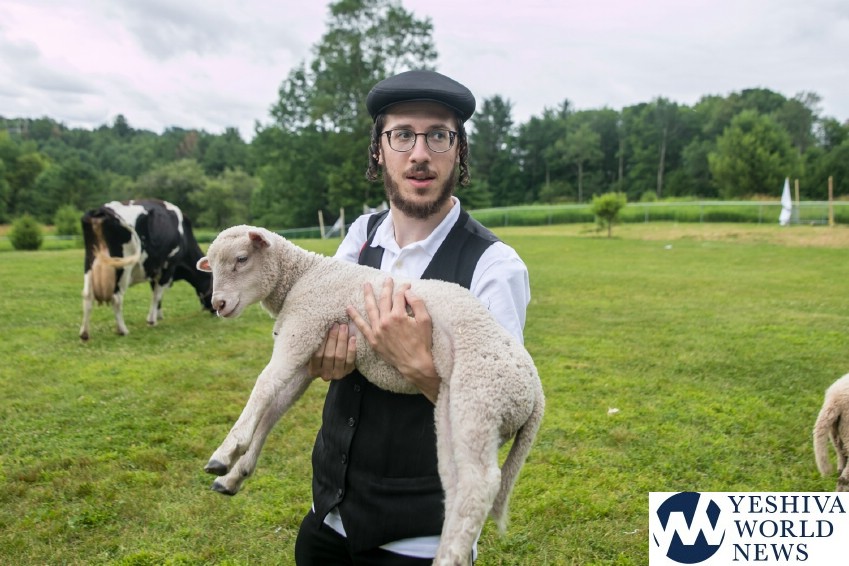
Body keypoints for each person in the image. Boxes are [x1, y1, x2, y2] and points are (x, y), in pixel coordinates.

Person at [294, 70, 530, 565]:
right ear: (378, 150)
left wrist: (421, 368)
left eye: (438, 135)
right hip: (327, 519)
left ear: (459, 151)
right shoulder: (360, 236)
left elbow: (502, 419)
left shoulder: (494, 266)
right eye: (402, 134)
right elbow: (318, 338)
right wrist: (319, 358)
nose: (419, 153)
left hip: (421, 540)